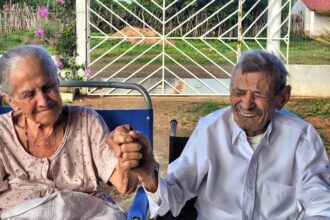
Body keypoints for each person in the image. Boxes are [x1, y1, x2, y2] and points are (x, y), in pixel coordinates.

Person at [109, 50, 330, 219]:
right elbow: (173, 196)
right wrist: (149, 176)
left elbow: (320, 203)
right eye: (239, 92)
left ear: (282, 97)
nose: (246, 104)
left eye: (258, 94)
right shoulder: (210, 129)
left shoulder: (302, 138)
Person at [0, 45, 140, 219]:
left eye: (48, 87)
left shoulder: (86, 121)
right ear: (11, 101)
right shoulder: (2, 133)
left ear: (57, 82)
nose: (43, 101)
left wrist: (126, 148)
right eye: (29, 94)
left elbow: (125, 184)